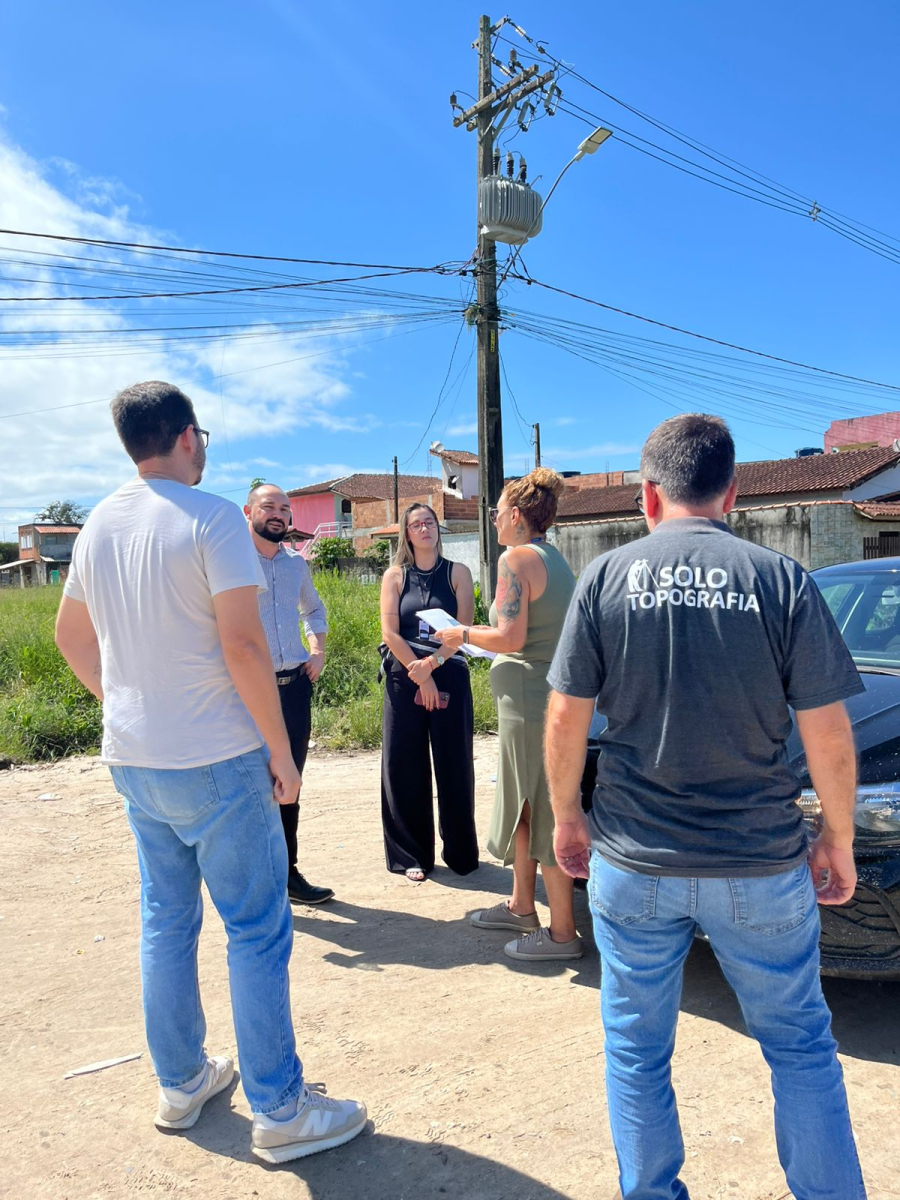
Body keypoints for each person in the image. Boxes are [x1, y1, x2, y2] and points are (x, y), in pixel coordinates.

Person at [545, 413, 867, 1200]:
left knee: (635, 1052)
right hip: (760, 861)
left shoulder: (605, 577)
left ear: (648, 496)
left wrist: (566, 816)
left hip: (636, 860)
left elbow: (564, 716)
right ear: (732, 492)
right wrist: (838, 837)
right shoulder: (781, 579)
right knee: (799, 1048)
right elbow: (828, 735)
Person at [54, 381, 365, 1164]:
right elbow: (244, 645)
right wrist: (281, 751)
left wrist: (125, 701)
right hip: (218, 757)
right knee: (256, 929)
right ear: (188, 437)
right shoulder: (212, 516)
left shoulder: (98, 524)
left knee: (167, 921)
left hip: (136, 756)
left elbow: (69, 636)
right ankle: (281, 1108)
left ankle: (183, 1080)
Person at [435, 468, 578, 962]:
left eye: (495, 510)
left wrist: (460, 634)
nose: (492, 518)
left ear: (515, 516)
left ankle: (563, 934)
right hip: (542, 696)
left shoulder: (514, 559)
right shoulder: (554, 559)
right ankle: (521, 905)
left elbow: (512, 639)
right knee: (525, 804)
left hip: (529, 699)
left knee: (541, 807)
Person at [243, 483, 334, 905]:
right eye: (269, 506)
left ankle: (287, 874)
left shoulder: (297, 565)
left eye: (285, 508)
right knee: (246, 785)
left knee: (289, 783)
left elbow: (313, 609)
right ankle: (251, 882)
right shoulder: (231, 563)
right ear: (249, 511)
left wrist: (317, 649)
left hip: (293, 689)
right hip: (246, 692)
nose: (278, 514)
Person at [379, 502, 479, 881]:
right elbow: (390, 632)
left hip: (447, 670)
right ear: (406, 533)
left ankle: (460, 852)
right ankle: (411, 854)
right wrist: (418, 673)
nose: (424, 529)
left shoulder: (458, 572)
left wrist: (433, 666)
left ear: (439, 529)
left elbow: (465, 627)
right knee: (404, 764)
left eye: (430, 523)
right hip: (404, 675)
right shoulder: (395, 577)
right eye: (416, 524)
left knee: (454, 764)